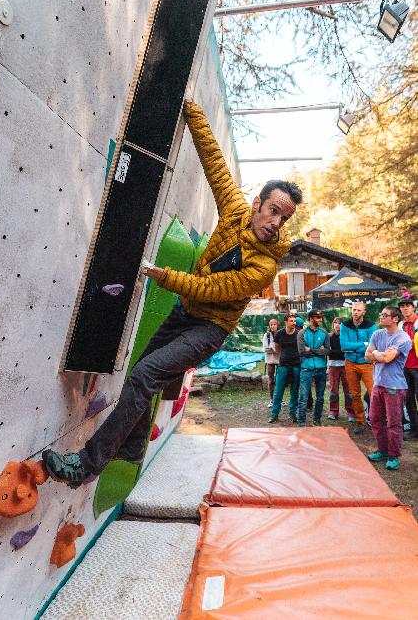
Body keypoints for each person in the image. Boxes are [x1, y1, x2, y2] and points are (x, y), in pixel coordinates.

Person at [42, 100, 303, 487]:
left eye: (285, 218)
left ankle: (86, 465)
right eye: (274, 210)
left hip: (209, 328)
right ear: (257, 204)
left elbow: (210, 289)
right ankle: (129, 451)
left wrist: (161, 275)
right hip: (184, 313)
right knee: (141, 374)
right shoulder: (233, 210)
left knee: (147, 373)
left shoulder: (264, 266)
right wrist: (190, 109)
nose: (277, 222)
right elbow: (213, 161)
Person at [366, 306, 411, 470]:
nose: (381, 317)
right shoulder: (377, 334)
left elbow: (387, 358)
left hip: (394, 386)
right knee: (375, 419)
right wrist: (379, 354)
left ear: (395, 319)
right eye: (381, 314)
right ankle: (383, 450)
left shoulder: (403, 338)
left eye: (385, 315)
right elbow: (367, 355)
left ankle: (393, 455)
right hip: (378, 384)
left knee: (393, 423)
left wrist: (377, 354)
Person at [340, 302, 377, 435]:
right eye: (354, 310)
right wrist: (363, 344)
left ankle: (376, 420)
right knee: (355, 394)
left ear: (364, 312)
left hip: (367, 363)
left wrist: (356, 347)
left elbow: (372, 346)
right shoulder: (344, 325)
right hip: (350, 363)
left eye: (358, 310)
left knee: (374, 393)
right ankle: (360, 421)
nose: (355, 312)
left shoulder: (371, 325)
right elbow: (344, 345)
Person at [297, 310, 330, 426]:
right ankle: (301, 422)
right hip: (306, 369)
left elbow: (327, 350)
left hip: (321, 369)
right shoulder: (301, 333)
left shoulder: (324, 333)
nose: (320, 319)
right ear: (311, 318)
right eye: (318, 317)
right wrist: (319, 351)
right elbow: (301, 351)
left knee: (320, 397)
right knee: (304, 398)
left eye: (321, 317)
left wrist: (310, 350)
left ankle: (317, 419)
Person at [268, 312, 300, 423]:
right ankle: (274, 414)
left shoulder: (299, 334)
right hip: (283, 366)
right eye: (291, 321)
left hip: (296, 366)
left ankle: (293, 413)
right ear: (286, 322)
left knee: (295, 391)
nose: (294, 323)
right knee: (278, 391)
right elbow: (277, 349)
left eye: (294, 321)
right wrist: (285, 355)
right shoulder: (279, 334)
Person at [398, 297, 418, 440]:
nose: (405, 308)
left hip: (417, 366)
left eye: (407, 305)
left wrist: (408, 343)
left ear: (413, 308)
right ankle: (415, 429)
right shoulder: (399, 325)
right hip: (404, 366)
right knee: (408, 399)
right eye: (402, 306)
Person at [327, 317, 354, 421]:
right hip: (333, 366)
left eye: (339, 323)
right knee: (333, 389)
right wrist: (340, 351)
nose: (337, 325)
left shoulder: (347, 337)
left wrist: (335, 351)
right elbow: (327, 352)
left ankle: (351, 412)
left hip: (346, 365)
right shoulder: (329, 337)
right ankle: (333, 411)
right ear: (333, 325)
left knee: (348, 390)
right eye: (335, 323)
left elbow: (348, 350)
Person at [263, 319, 280, 406]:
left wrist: (273, 348)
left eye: (274, 324)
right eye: (271, 324)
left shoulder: (280, 334)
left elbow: (281, 348)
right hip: (270, 361)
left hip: (279, 361)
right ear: (269, 326)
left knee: (280, 380)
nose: (273, 326)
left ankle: (279, 399)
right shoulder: (267, 335)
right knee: (271, 380)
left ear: (277, 325)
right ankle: (272, 400)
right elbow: (266, 349)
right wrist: (275, 349)